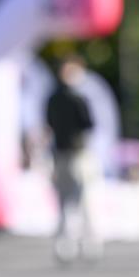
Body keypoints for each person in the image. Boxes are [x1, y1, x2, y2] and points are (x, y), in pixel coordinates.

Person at [46, 56, 99, 263]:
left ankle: (65, 244)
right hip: (77, 153)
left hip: (60, 153)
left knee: (64, 200)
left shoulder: (53, 98)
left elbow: (49, 123)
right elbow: (89, 124)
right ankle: (88, 242)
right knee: (82, 199)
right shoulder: (78, 98)